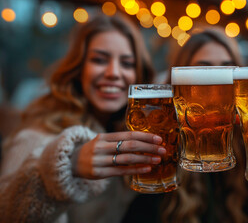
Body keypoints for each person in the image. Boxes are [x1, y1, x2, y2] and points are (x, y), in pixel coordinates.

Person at [0, 13, 167, 223]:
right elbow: (7, 211)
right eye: (99, 60)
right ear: (79, 69)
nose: (113, 72)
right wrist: (65, 166)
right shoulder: (39, 133)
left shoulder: (133, 129)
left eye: (126, 63)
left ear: (139, 74)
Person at [123, 27, 248, 223]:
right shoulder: (163, 149)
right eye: (203, 68)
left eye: (227, 68)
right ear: (180, 84)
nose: (216, 78)